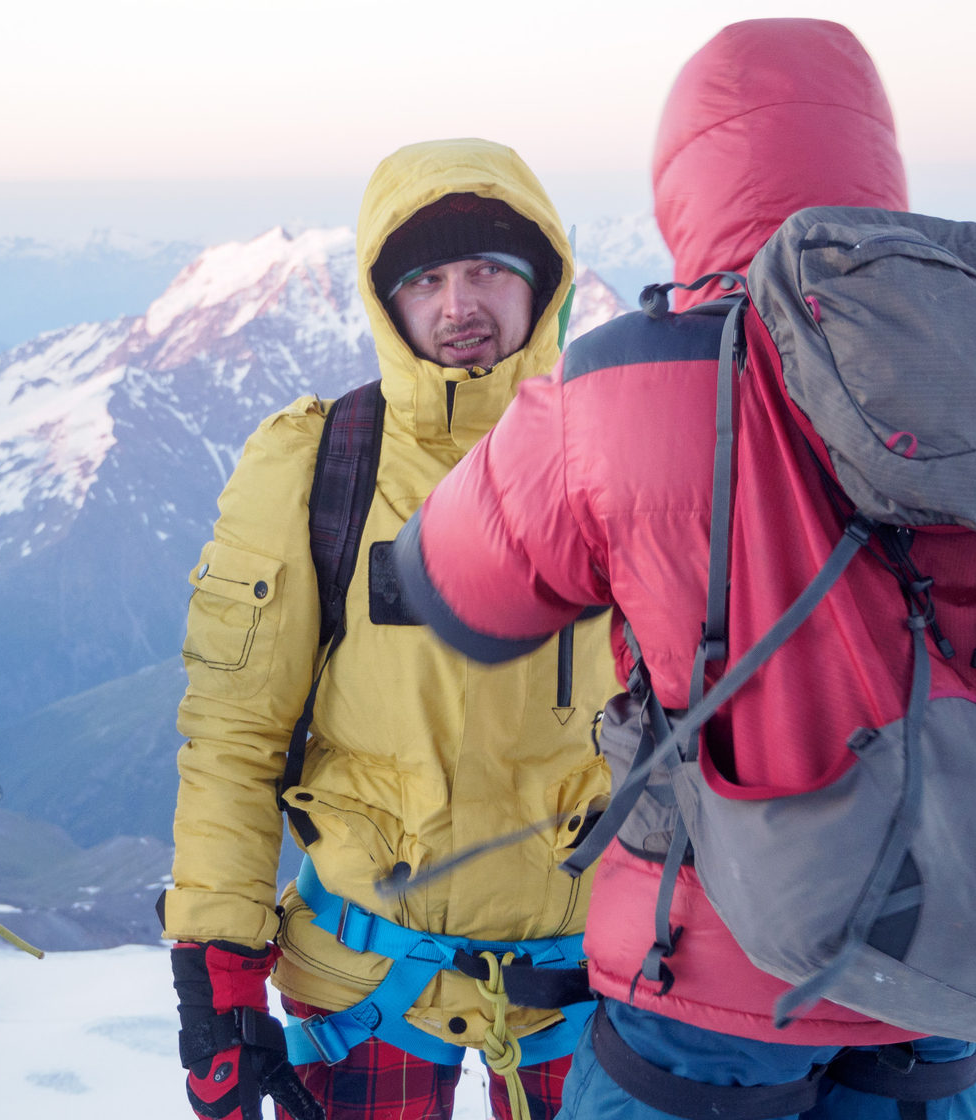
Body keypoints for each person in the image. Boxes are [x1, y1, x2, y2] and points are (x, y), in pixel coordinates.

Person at [390, 19, 976, 1120]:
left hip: (711, 972)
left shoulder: (628, 382)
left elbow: (456, 582)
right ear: (875, 160)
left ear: (684, 184)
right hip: (953, 963)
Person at [162, 138, 615, 1120]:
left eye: (490, 269)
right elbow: (236, 735)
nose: (460, 304)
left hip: (587, 988)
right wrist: (217, 973)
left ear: (544, 284)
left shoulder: (620, 463)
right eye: (427, 277)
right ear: (386, 298)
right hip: (365, 983)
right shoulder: (319, 465)